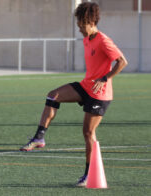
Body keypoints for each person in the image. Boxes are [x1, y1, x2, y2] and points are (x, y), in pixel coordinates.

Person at [19, 2, 128, 187]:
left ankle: (88, 175)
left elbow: (122, 62)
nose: (79, 29)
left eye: (81, 25)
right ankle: (39, 138)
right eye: (78, 25)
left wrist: (105, 78)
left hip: (99, 94)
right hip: (86, 86)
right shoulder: (87, 39)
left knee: (88, 133)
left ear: (92, 22)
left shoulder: (103, 40)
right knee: (53, 95)